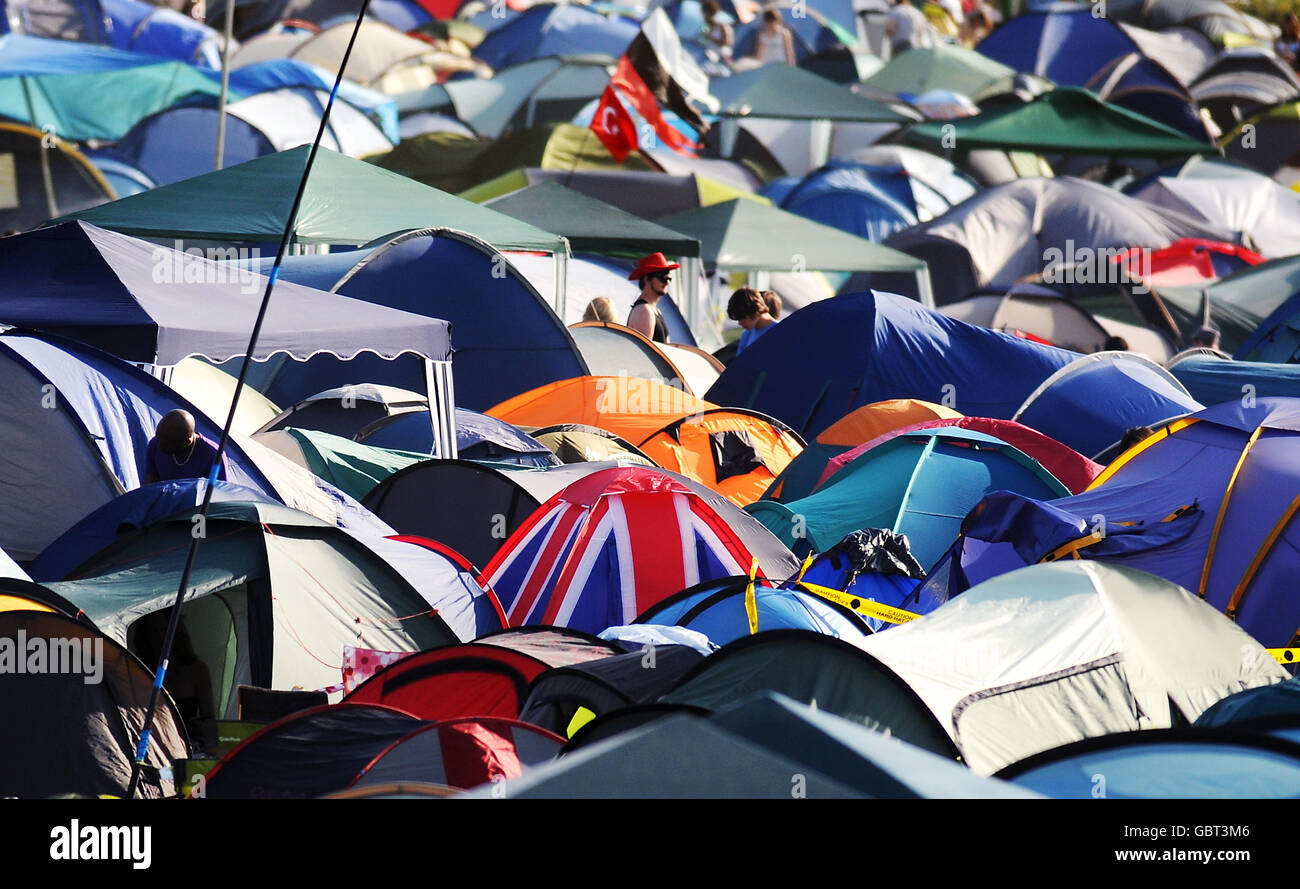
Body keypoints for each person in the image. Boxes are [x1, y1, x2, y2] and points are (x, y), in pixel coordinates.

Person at [142, 409, 228, 485]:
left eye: (166, 443)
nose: (159, 446)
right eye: (158, 437)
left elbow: (216, 491)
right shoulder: (155, 443)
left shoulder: (214, 456)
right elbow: (150, 483)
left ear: (186, 442)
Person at [626, 252, 680, 343]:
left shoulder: (655, 310)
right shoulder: (643, 311)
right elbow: (644, 353)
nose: (667, 283)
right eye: (663, 278)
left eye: (669, 279)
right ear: (647, 279)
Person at [729, 287, 778, 354]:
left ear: (755, 311)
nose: (740, 323)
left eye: (742, 318)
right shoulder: (746, 335)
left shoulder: (780, 332)